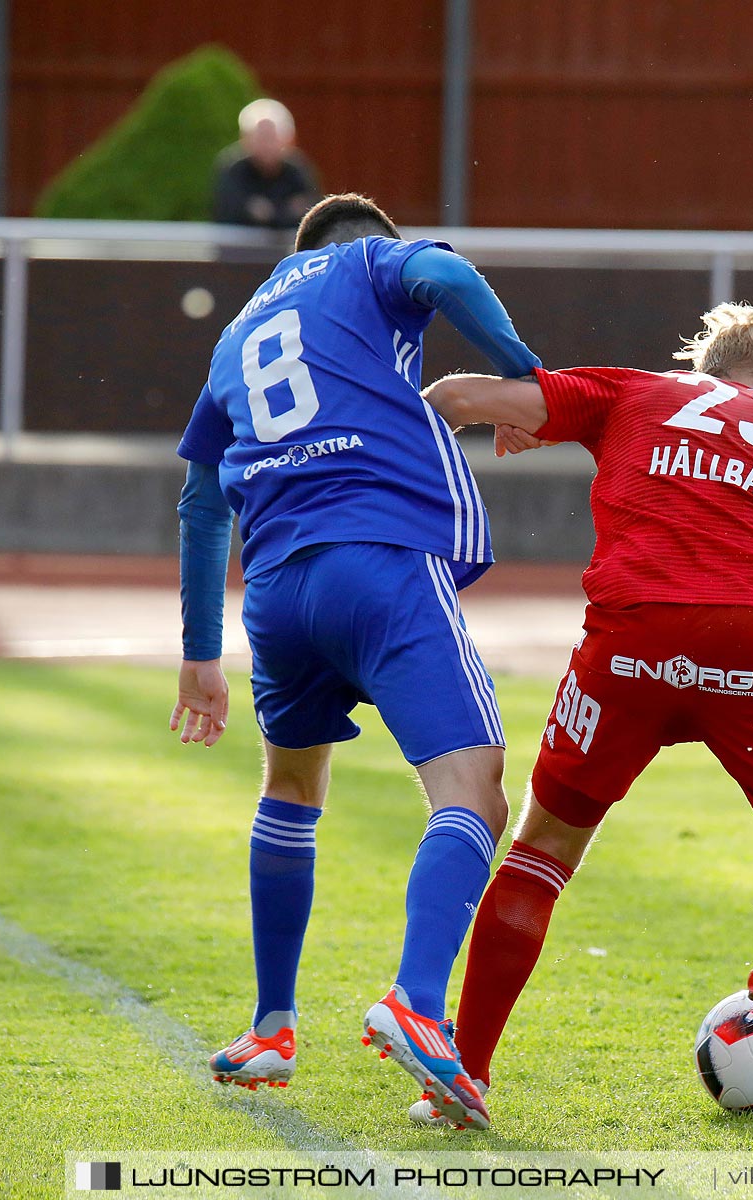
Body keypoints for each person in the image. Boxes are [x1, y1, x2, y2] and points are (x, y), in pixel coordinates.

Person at [416, 303, 753, 1122]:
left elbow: (451, 396)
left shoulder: (632, 392)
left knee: (539, 857)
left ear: (705, 371)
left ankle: (462, 1077)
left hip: (627, 646)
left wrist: (500, 423)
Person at [170, 192, 543, 1131]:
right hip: (377, 558)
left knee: (291, 791)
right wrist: (526, 379)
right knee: (475, 791)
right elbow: (447, 273)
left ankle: (269, 1029)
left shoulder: (236, 336)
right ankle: (418, 997)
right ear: (373, 245)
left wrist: (198, 656)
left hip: (279, 592)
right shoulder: (368, 263)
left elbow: (202, 503)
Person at [213, 99, 321, 229]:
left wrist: (267, 213)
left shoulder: (297, 170)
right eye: (261, 137)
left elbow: (310, 210)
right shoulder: (232, 170)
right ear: (245, 140)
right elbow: (229, 213)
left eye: (271, 137)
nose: (267, 145)